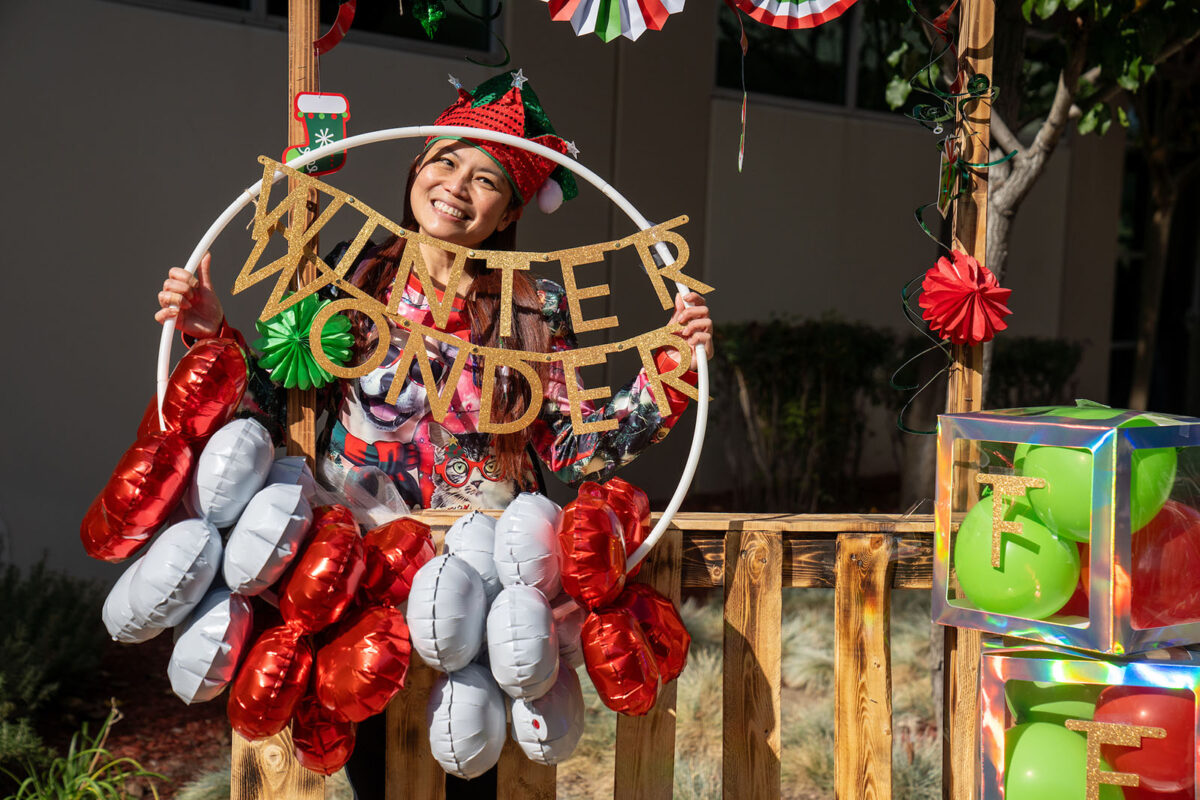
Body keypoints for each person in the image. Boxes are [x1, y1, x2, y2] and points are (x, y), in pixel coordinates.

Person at [154, 70, 711, 798]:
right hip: (357, 580)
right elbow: (279, 403)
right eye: (445, 161)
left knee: (471, 770)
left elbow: (578, 447)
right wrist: (210, 329)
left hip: (484, 593)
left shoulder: (534, 308)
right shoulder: (355, 275)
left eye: (486, 179)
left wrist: (671, 363)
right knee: (378, 773)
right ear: (416, 169)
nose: (456, 184)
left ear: (510, 209)